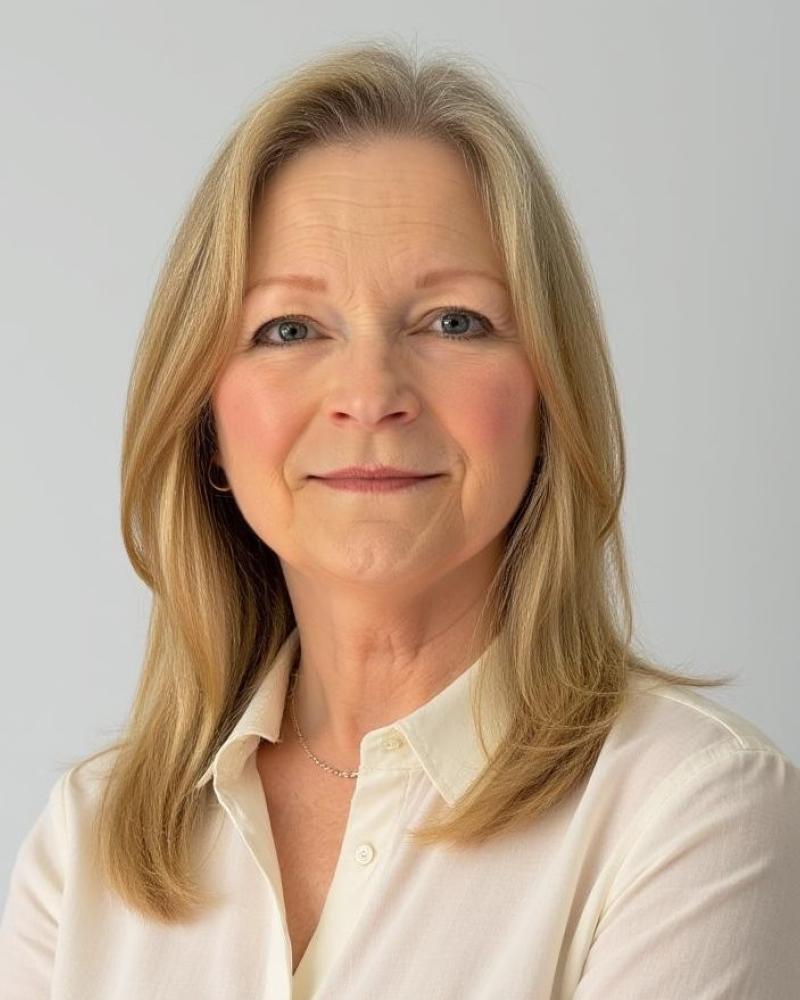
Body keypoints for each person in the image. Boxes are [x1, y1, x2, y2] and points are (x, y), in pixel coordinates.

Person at [1, 38, 798, 1000]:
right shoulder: (88, 843)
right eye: (289, 329)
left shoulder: (693, 810)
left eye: (454, 321)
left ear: (549, 396)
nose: (371, 394)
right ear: (207, 420)